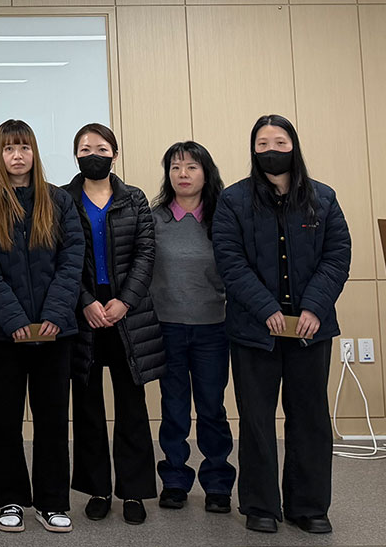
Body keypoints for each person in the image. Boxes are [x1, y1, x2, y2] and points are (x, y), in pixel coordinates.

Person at [212, 115, 350, 535]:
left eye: (280, 142)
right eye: (262, 143)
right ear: (253, 150)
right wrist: (266, 308)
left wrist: (313, 308)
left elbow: (337, 256)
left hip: (311, 329)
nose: (271, 149)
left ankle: (308, 506)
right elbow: (230, 261)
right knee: (256, 420)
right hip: (255, 330)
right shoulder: (233, 200)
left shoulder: (323, 198)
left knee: (310, 418)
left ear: (294, 146)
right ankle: (260, 505)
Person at [0, 120, 84, 534]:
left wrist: (54, 315)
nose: (17, 156)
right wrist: (15, 321)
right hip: (4, 335)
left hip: (56, 332)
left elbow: (72, 260)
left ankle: (52, 502)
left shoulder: (59, 200)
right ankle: (10, 500)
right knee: (5, 420)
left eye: (24, 148)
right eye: (8, 149)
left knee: (52, 419)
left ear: (34, 153)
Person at [63, 122, 164, 526]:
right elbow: (59, 256)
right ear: (76, 156)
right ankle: (98, 490)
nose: (94, 155)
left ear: (115, 155)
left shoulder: (134, 198)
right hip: (83, 313)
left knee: (131, 405)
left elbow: (146, 253)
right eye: (85, 149)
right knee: (87, 406)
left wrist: (125, 301)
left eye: (102, 149)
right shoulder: (62, 199)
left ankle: (133, 491)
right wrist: (85, 301)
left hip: (127, 313)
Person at [149, 141, 235, 515]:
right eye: (175, 167)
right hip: (166, 328)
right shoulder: (154, 219)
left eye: (191, 167)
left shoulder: (223, 217)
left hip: (212, 329)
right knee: (174, 408)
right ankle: (174, 480)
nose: (182, 174)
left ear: (206, 173)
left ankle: (217, 483)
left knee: (212, 408)